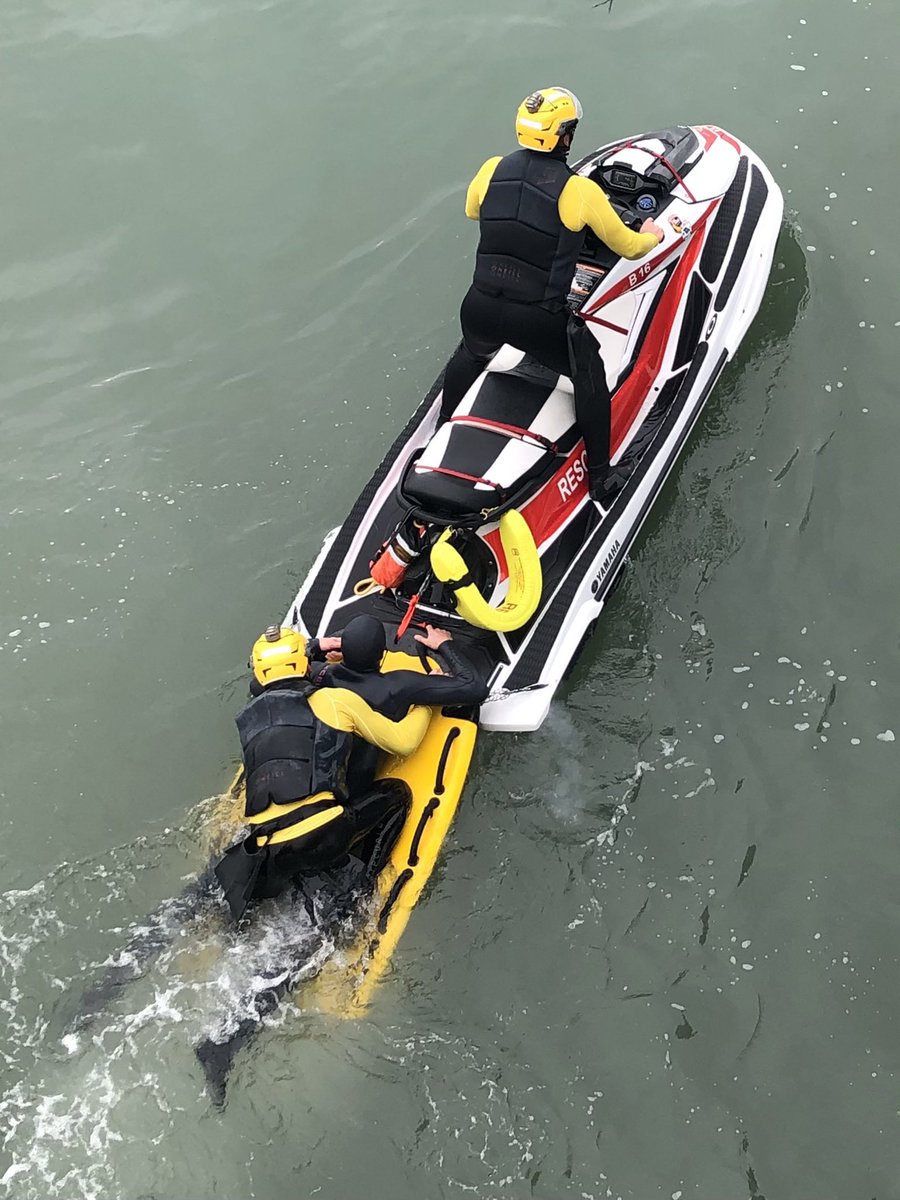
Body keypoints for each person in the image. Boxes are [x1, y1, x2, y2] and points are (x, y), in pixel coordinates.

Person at [440, 87, 665, 503]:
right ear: (563, 136)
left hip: (480, 305)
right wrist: (650, 234)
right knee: (589, 373)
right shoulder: (578, 191)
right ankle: (601, 479)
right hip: (537, 319)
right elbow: (628, 247)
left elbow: (474, 210)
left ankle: (438, 437)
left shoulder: (491, 169)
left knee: (470, 355)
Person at [215, 624, 432, 919]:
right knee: (397, 795)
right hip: (324, 837)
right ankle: (359, 885)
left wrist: (316, 646)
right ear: (304, 663)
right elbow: (404, 742)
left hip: (270, 848)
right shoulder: (332, 699)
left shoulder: (249, 718)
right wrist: (423, 705)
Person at [310, 613, 489, 720]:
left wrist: (317, 646)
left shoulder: (319, 673)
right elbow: (474, 687)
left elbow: (287, 658)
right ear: (381, 654)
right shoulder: (397, 687)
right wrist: (445, 645)